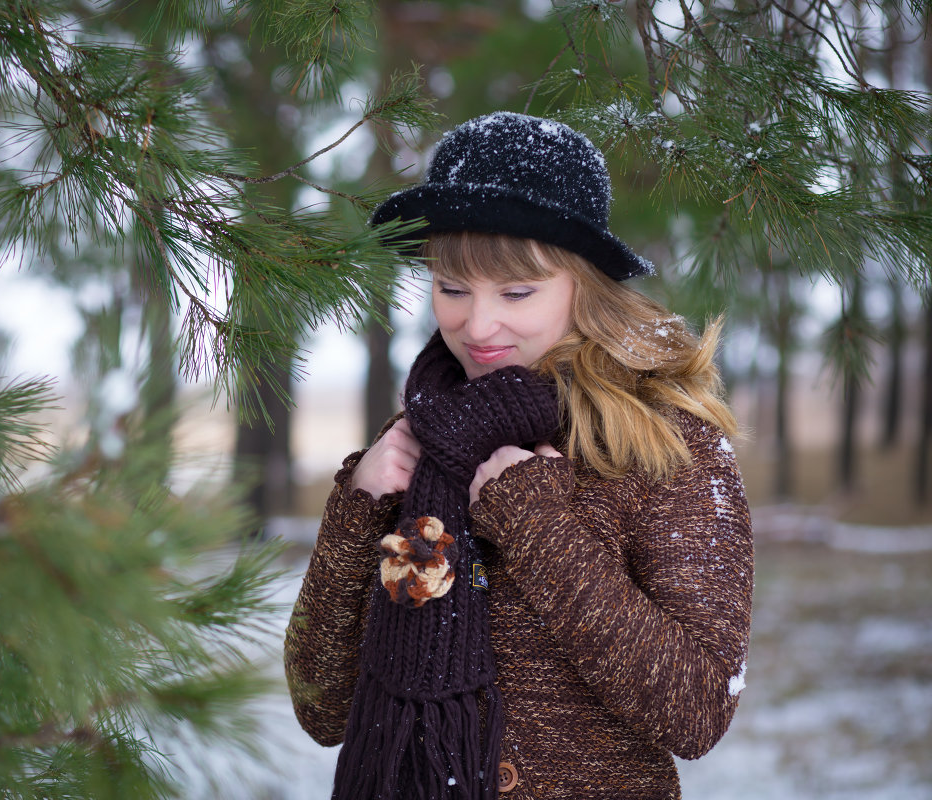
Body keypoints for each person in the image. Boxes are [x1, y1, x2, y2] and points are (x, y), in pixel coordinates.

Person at [283, 111, 753, 800]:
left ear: (583, 287)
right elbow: (321, 708)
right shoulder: (420, 440)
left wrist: (538, 524)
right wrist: (356, 513)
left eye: (516, 292)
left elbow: (696, 709)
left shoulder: (664, 445)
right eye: (452, 288)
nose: (476, 325)